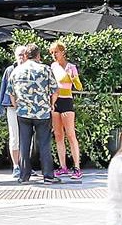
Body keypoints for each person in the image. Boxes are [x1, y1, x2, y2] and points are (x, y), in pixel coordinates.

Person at [9, 43, 60, 184]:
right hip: (42, 113)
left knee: (24, 144)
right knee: (44, 144)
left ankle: (24, 176)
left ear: (25, 55)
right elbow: (55, 90)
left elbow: (11, 93)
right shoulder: (46, 69)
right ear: (38, 55)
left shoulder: (16, 70)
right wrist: (51, 104)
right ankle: (48, 176)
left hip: (23, 113)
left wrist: (17, 106)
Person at [49, 40, 85, 179]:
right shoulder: (53, 66)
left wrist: (73, 78)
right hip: (55, 101)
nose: (54, 55)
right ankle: (63, 166)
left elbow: (79, 87)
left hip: (67, 101)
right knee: (58, 135)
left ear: (63, 52)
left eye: (56, 52)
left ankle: (77, 167)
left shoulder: (71, 67)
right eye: (52, 53)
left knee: (70, 134)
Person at [0, 51, 21, 168]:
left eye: (23, 54)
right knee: (14, 136)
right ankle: (16, 166)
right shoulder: (10, 70)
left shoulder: (30, 69)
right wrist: (1, 107)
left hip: (27, 108)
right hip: (12, 108)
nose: (21, 57)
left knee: (28, 138)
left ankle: (25, 165)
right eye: (19, 54)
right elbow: (4, 87)